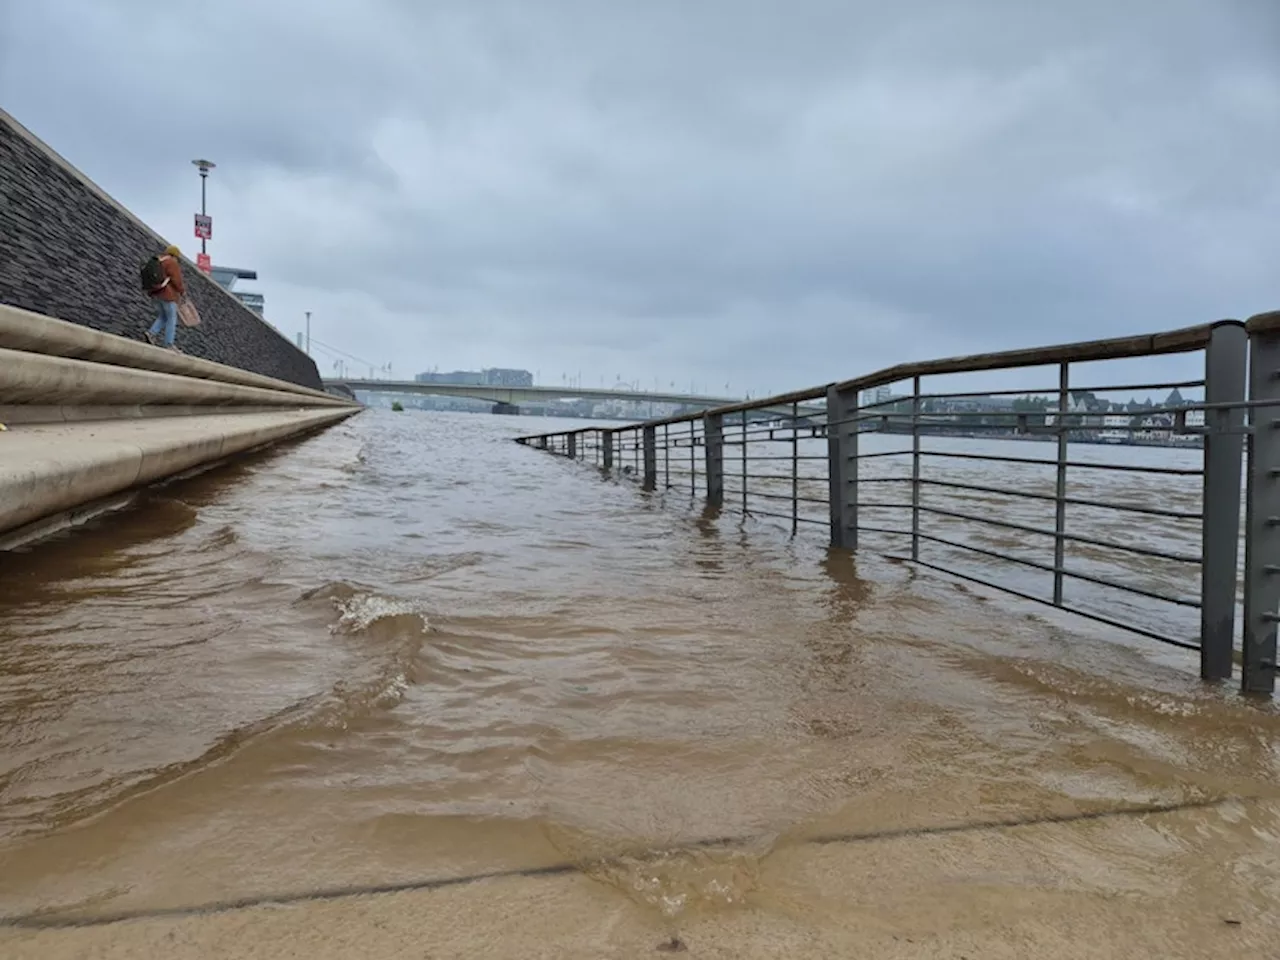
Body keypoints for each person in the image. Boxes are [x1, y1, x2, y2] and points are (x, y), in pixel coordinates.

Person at [144, 245, 186, 350]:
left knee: (163, 316)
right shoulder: (172, 262)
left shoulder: (159, 261)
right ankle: (169, 343)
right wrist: (182, 291)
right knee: (172, 318)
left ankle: (151, 333)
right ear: (175, 255)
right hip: (168, 295)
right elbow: (177, 280)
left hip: (157, 293)